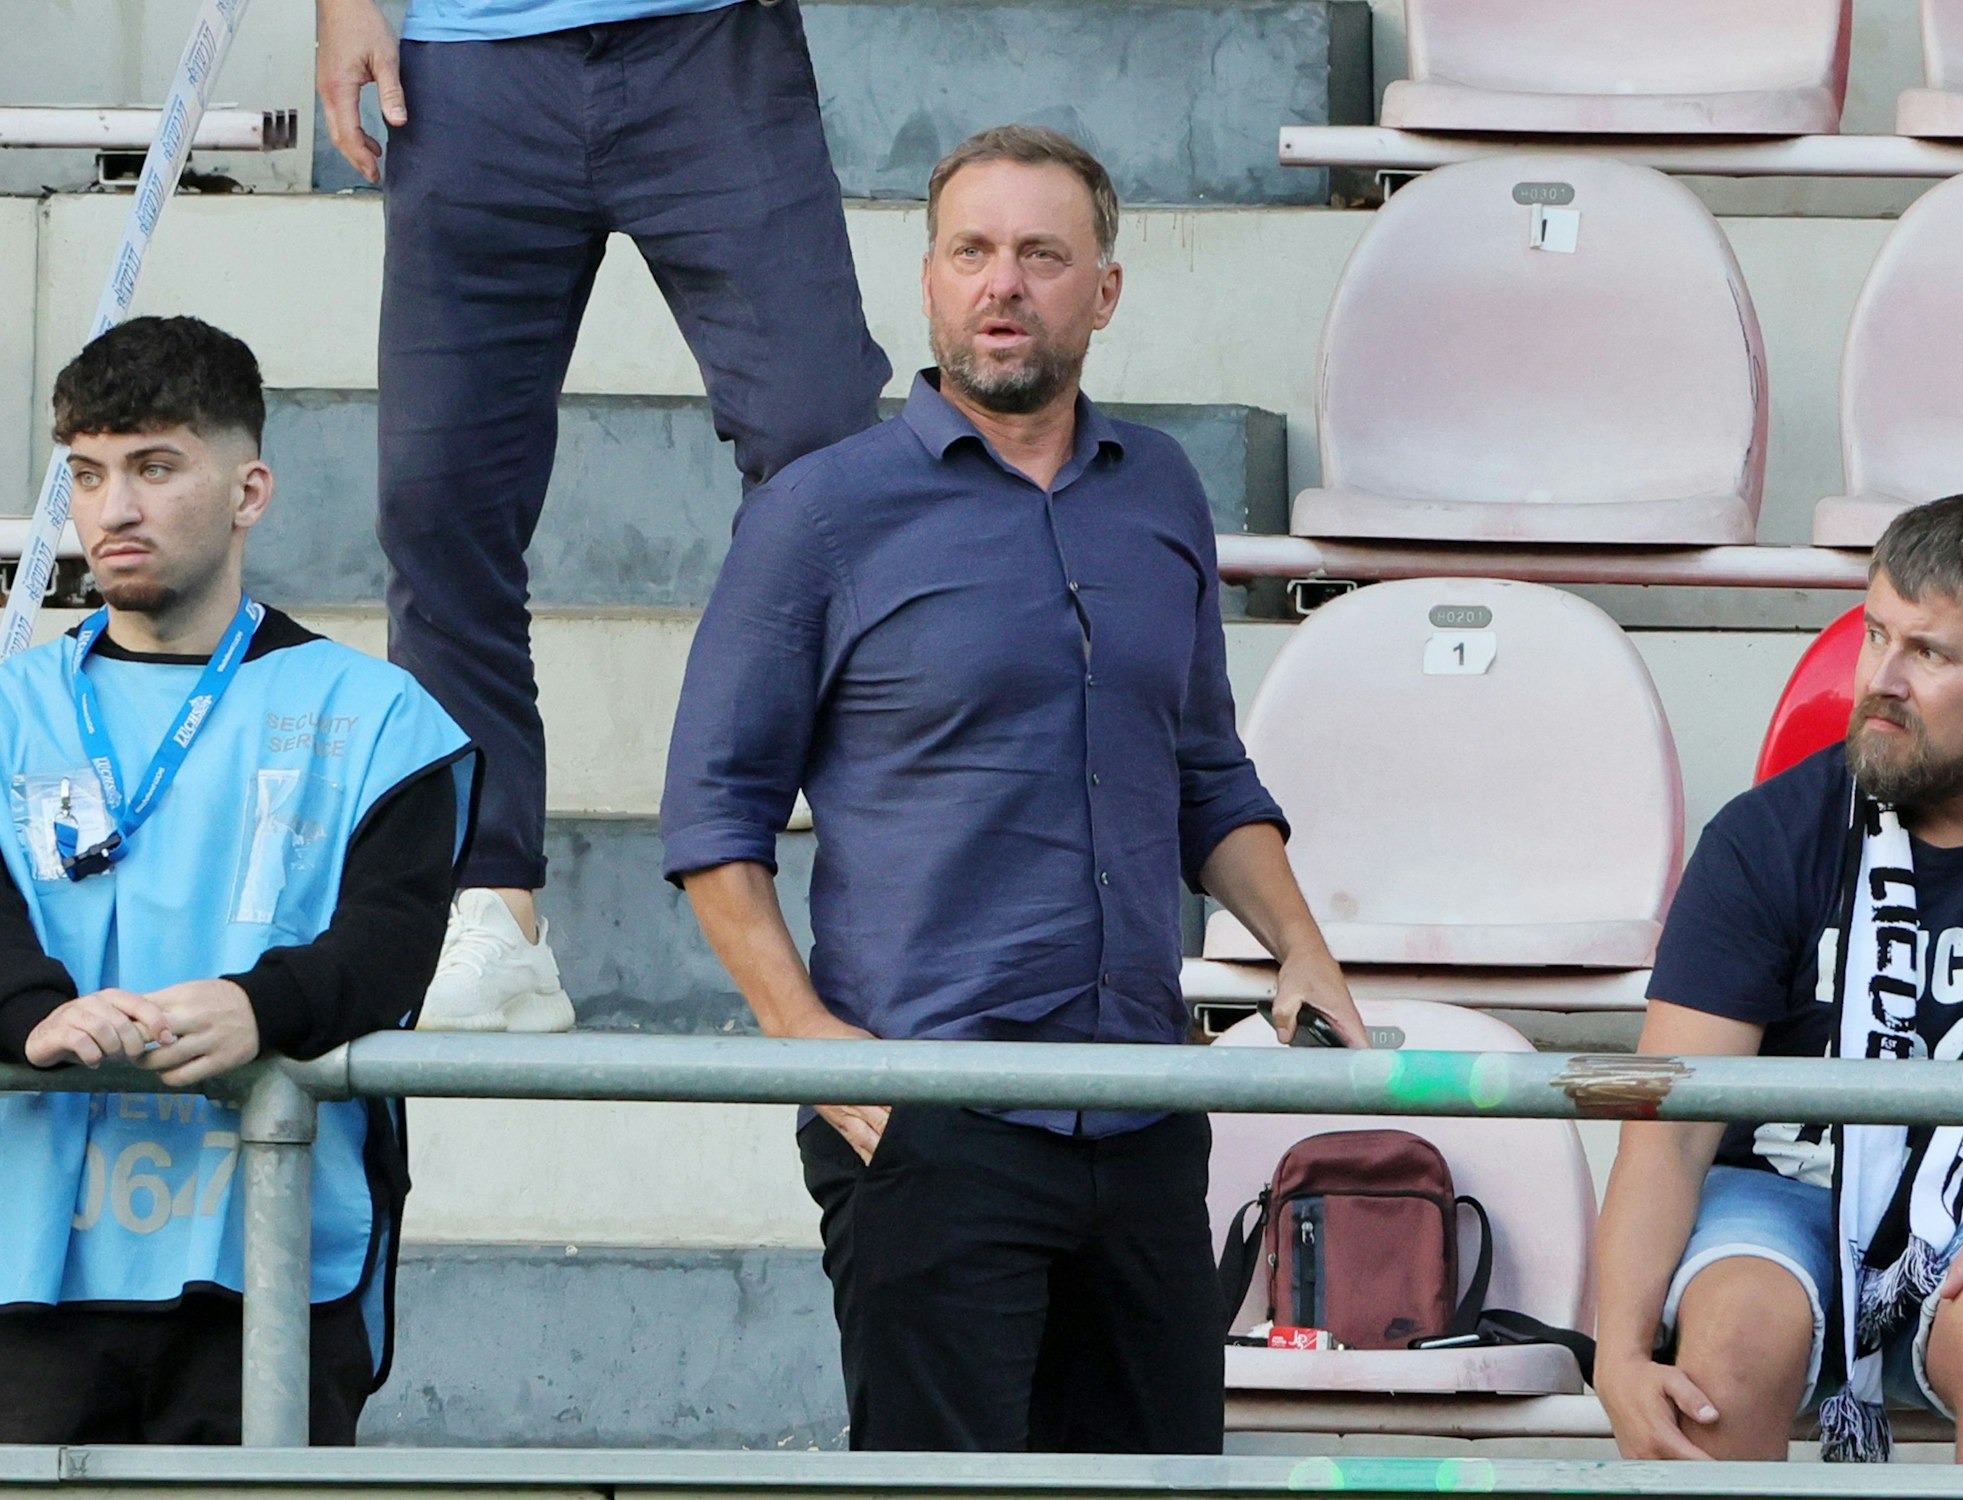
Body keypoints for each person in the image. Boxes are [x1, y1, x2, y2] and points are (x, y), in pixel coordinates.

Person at [659, 125, 1365, 1454]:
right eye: (972, 251)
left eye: (1042, 255)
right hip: (934, 1114)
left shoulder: (1159, 490)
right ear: (928, 282)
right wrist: (808, 1042)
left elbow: (1205, 768)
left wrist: (1302, 947)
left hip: (1148, 1112)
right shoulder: (820, 514)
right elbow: (712, 818)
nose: (1004, 285)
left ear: (1102, 289)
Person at [315, 0, 892, 1032]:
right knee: (436, 496)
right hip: (470, 52)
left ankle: (780, 800)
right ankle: (489, 899)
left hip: (709, 41)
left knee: (824, 446)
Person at [0, 317, 475, 1444]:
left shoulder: (380, 719)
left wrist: (265, 1005)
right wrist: (28, 1013)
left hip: (261, 1257)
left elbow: (392, 941)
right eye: (87, 473)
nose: (114, 509)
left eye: (156, 468)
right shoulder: (14, 709)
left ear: (247, 490)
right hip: (25, 1258)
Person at [1596, 494, 1963, 1464]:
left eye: (1929, 654)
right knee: (1726, 1352)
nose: (1881, 681)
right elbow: (1672, 1125)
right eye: (1873, 635)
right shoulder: (1765, 838)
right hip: (1785, 1189)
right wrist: (1614, 1350)